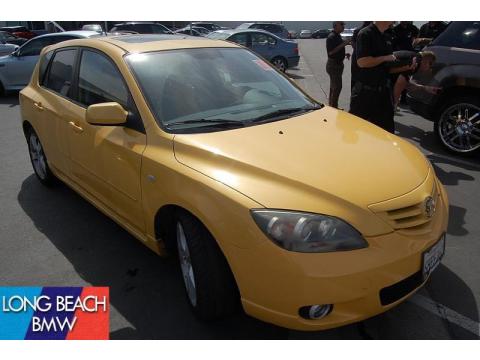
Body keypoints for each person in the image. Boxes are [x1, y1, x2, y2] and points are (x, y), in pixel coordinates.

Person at [349, 22, 417, 133]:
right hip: (364, 94)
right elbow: (362, 62)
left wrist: (407, 67)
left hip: (383, 93)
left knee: (386, 132)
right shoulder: (365, 33)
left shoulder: (386, 36)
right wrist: (385, 58)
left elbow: (388, 69)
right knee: (355, 131)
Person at [325, 21, 351, 108]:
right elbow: (331, 53)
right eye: (342, 24)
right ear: (335, 26)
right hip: (333, 66)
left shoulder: (337, 36)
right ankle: (334, 107)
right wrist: (344, 44)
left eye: (344, 24)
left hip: (337, 64)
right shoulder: (331, 37)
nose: (343, 26)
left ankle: (331, 105)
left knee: (334, 86)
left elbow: (337, 50)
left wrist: (344, 54)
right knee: (337, 87)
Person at [351, 21, 371, 90]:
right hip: (361, 61)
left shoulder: (357, 30)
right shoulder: (371, 31)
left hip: (358, 60)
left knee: (356, 81)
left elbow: (353, 44)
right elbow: (353, 44)